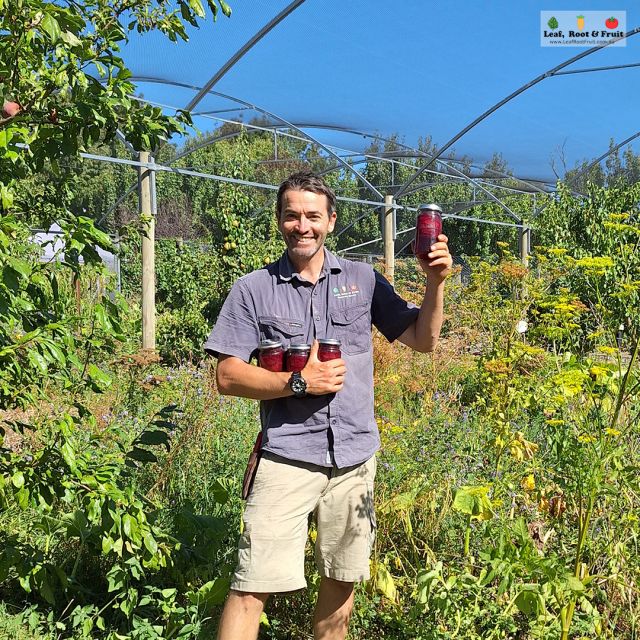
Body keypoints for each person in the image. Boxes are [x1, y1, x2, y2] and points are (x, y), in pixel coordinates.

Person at [204, 171, 452, 640]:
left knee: (340, 582)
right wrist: (299, 382)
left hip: (355, 459)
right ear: (280, 220)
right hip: (287, 457)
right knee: (252, 585)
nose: (303, 226)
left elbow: (423, 339)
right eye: (292, 216)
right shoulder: (253, 289)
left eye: (313, 216)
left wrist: (436, 283)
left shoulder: (363, 280)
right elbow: (226, 376)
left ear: (331, 221)